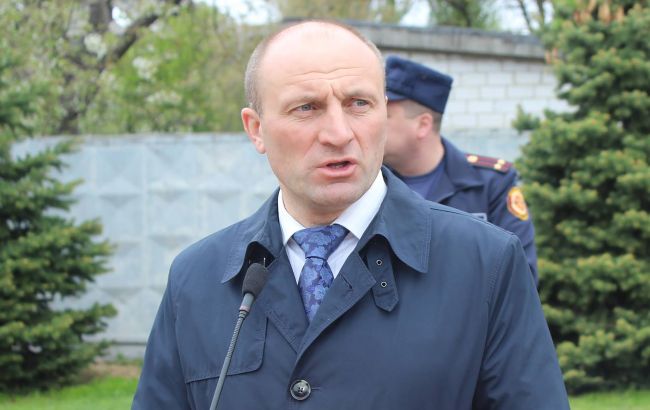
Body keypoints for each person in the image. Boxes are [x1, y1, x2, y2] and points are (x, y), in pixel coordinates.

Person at [132, 20, 569, 409]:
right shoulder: (197, 279)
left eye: (359, 103)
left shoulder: (485, 264)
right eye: (307, 108)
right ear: (256, 129)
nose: (339, 133)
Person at [383, 55, 539, 284]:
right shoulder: (369, 183)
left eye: (385, 116)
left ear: (423, 125)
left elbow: (519, 276)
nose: (373, 123)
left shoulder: (490, 185)